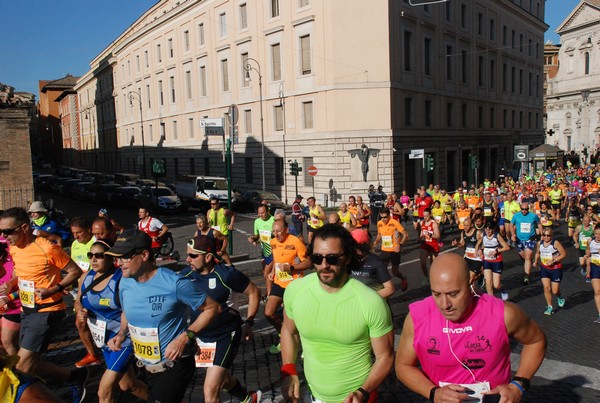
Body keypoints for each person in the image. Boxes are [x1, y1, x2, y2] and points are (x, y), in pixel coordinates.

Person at [395, 253, 547, 403]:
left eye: (453, 294)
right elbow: (403, 366)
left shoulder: (504, 314)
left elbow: (536, 341)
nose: (444, 304)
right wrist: (433, 393)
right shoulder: (417, 318)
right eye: (436, 294)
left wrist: (518, 385)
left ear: (470, 283)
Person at [280, 224, 394, 402]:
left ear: (347, 258)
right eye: (317, 258)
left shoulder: (371, 302)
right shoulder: (295, 291)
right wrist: (288, 370)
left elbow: (385, 356)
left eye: (332, 259)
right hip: (313, 396)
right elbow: (288, 330)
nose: (324, 265)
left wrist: (363, 392)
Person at [105, 229, 221, 403]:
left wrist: (185, 337)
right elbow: (126, 312)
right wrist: (122, 334)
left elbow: (213, 308)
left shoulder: (174, 283)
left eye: (124, 257)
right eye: (116, 258)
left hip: (175, 366)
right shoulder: (124, 282)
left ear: (144, 255)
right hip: (143, 367)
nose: (118, 263)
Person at [0, 208, 88, 402]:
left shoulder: (47, 248)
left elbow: (74, 271)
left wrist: (53, 289)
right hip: (27, 309)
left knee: (21, 368)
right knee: (30, 362)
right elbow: (21, 272)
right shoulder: (14, 248)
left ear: (24, 228)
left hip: (47, 311)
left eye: (7, 231)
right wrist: (11, 284)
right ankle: (73, 377)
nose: (3, 236)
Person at [182, 236, 261, 403]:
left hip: (226, 335)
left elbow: (254, 292)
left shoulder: (227, 275)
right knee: (222, 378)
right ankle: (247, 398)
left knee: (210, 390)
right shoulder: (185, 275)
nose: (188, 259)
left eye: (193, 255)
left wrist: (249, 322)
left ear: (208, 257)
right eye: (187, 254)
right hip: (202, 338)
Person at [75, 239, 148, 402]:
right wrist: (80, 311)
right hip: (104, 342)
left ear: (110, 258)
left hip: (122, 341)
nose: (93, 259)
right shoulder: (85, 277)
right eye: (90, 255)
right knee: (128, 385)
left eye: (99, 256)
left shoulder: (121, 280)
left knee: (104, 390)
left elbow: (132, 310)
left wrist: (122, 334)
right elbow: (78, 301)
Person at [265, 219, 311, 354]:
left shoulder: (295, 242)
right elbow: (275, 258)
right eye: (274, 231)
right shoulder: (273, 242)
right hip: (279, 282)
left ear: (286, 229)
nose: (276, 234)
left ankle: (306, 345)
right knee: (269, 313)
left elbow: (309, 263)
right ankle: (283, 336)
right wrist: (273, 272)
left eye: (279, 231)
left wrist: (292, 267)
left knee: (297, 317)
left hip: (295, 284)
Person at [69, 217, 103, 369]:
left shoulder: (95, 244)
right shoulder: (75, 245)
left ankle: (103, 351)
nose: (76, 236)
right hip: (80, 291)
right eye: (74, 233)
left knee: (91, 323)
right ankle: (93, 354)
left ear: (88, 230)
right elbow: (74, 268)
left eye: (79, 232)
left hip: (97, 290)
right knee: (80, 323)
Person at [351, 229, 396, 299]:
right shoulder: (347, 260)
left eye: (360, 247)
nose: (358, 250)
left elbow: (390, 289)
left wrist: (367, 299)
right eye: (354, 247)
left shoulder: (375, 262)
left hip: (374, 306)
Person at [533, 228, 567, 315]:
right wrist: (536, 261)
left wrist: (554, 261)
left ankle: (559, 297)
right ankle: (550, 306)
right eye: (544, 235)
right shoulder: (539, 243)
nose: (546, 237)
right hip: (544, 268)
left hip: (555, 268)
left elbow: (563, 254)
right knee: (546, 288)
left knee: (555, 291)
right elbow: (538, 253)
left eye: (548, 235)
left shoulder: (555, 243)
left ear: (551, 236)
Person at [374, 210, 408, 291]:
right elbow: (379, 234)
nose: (383, 219)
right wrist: (376, 242)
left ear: (389, 215)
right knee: (382, 270)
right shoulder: (379, 223)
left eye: (385, 217)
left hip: (394, 250)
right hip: (384, 249)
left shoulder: (395, 222)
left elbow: (406, 235)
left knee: (395, 272)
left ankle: (403, 278)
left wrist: (400, 244)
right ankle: (386, 287)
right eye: (381, 217)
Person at [476, 221, 511, 300]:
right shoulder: (483, 235)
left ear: (493, 230)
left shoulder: (497, 236)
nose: (488, 231)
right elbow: (483, 244)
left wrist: (497, 251)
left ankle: (502, 289)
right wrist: (480, 250)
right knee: (488, 282)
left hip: (497, 261)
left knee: (496, 285)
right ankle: (491, 301)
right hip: (487, 260)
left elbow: (507, 247)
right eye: (486, 229)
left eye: (490, 230)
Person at [511, 202, 542, 285]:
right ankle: (527, 261)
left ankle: (526, 276)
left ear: (528, 209)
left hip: (530, 239)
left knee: (527, 257)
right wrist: (513, 234)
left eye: (526, 209)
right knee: (523, 256)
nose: (524, 211)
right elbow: (511, 225)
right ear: (520, 209)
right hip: (519, 239)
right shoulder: (516, 216)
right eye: (522, 209)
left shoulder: (533, 216)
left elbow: (539, 224)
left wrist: (541, 235)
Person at [247, 205, 275, 297]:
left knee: (267, 272)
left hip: (274, 250)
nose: (260, 215)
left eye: (262, 213)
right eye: (259, 213)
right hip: (264, 251)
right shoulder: (257, 221)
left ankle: (269, 296)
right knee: (266, 274)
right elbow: (257, 235)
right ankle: (272, 291)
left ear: (268, 211)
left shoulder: (274, 220)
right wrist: (253, 238)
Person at [0, 237, 21, 355]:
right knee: (4, 343)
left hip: (15, 308)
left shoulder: (12, 267)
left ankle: (18, 370)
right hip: (2, 309)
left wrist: (10, 297)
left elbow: (26, 288)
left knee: (7, 341)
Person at [451, 217, 483, 287]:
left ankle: (479, 276)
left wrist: (480, 249)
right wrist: (457, 244)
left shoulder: (477, 233)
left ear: (471, 225)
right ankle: (479, 277)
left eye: (467, 225)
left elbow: (484, 243)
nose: (465, 227)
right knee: (463, 276)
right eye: (464, 225)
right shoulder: (463, 233)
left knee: (470, 279)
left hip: (476, 259)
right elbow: (461, 245)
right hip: (467, 258)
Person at [419, 208, 441, 285]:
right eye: (424, 216)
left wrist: (430, 234)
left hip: (433, 245)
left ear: (430, 215)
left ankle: (435, 279)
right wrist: (420, 238)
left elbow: (438, 236)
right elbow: (421, 234)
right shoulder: (422, 223)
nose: (425, 218)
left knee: (433, 265)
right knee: (422, 263)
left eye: (427, 216)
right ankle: (426, 277)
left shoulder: (433, 223)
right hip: (425, 245)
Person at [585, 226, 600, 323]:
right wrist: (587, 258)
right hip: (595, 267)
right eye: (596, 234)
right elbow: (588, 252)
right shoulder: (590, 241)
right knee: (597, 291)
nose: (598, 236)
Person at [573, 214, 594, 283]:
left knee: (588, 262)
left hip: (589, 249)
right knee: (582, 263)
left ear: (589, 221)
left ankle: (588, 276)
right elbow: (574, 235)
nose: (586, 223)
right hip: (581, 248)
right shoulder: (579, 227)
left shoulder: (592, 228)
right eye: (584, 221)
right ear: (582, 221)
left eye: (587, 221)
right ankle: (584, 269)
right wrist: (576, 243)